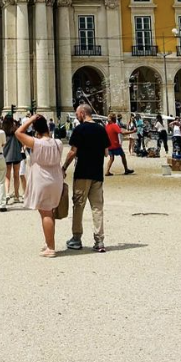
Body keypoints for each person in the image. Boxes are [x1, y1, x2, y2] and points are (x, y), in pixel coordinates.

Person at [16, 113, 64, 257]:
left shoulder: (36, 143)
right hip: (56, 179)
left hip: (42, 179)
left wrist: (30, 119)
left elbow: (18, 132)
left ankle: (50, 247)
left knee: (45, 213)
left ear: (36, 130)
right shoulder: (58, 143)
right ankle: (49, 242)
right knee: (49, 212)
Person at [63, 104, 107, 253]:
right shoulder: (101, 129)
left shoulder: (79, 129)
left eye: (77, 114)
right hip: (97, 174)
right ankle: (99, 241)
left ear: (82, 113)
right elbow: (106, 153)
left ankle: (76, 238)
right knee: (97, 207)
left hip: (82, 173)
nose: (76, 116)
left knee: (78, 206)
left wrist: (63, 167)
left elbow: (72, 152)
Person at [2, 116, 23, 204]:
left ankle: (7, 193)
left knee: (7, 176)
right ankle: (17, 195)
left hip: (6, 155)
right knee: (16, 175)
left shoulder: (3, 131)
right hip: (16, 154)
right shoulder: (16, 131)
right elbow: (21, 141)